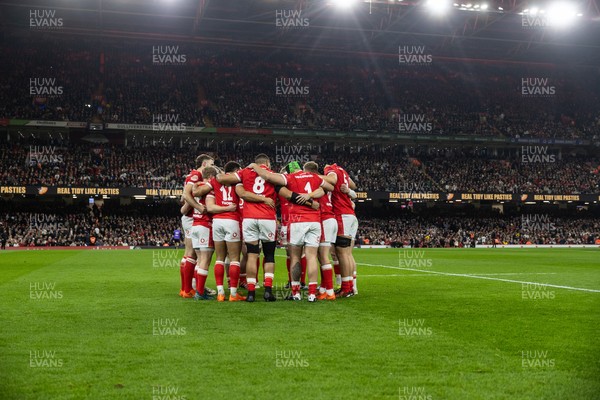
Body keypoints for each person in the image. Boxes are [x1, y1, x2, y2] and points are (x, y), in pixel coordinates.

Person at [249, 161, 334, 302]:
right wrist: (310, 196)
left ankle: (296, 292)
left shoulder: (289, 178)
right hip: (314, 221)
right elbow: (329, 187)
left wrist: (255, 166)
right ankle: (312, 294)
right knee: (311, 256)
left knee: (294, 256)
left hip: (296, 221)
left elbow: (271, 179)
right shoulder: (314, 177)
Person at [216, 154, 278, 302]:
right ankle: (268, 290)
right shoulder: (273, 175)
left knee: (251, 254)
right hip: (267, 217)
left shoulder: (245, 172)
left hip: (249, 218)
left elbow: (222, 179)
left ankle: (250, 293)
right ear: (267, 163)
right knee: (269, 255)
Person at [324, 163, 359, 298]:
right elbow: (353, 185)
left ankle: (346, 288)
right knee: (348, 254)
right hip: (350, 215)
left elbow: (332, 179)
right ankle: (351, 286)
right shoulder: (342, 170)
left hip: (342, 215)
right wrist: (348, 191)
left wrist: (314, 177)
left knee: (342, 253)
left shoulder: (330, 169)